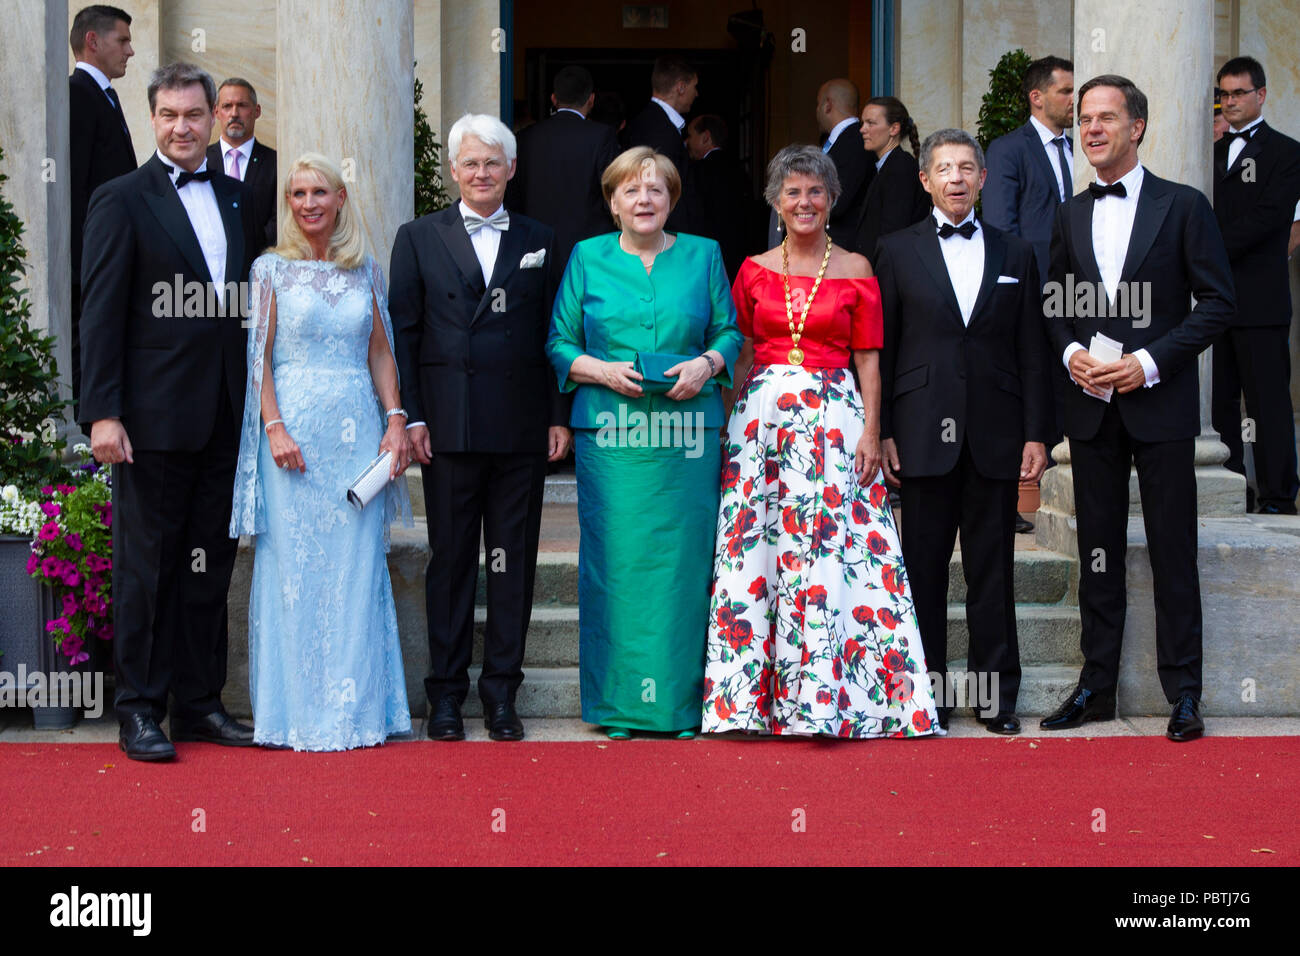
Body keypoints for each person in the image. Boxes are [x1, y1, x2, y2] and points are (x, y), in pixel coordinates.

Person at [700, 144, 939, 739]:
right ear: (775, 202)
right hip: (761, 428)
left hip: (836, 421)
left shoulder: (857, 267)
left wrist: (873, 433)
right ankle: (748, 704)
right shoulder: (753, 268)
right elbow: (745, 352)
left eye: (815, 192)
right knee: (760, 556)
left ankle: (834, 702)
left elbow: (869, 360)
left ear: (832, 199)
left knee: (836, 551)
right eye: (792, 192)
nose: (804, 202)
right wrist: (729, 434)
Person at [1038, 75, 1235, 742]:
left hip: (1162, 405)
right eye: (1083, 119)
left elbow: (1218, 304)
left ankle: (1184, 692)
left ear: (1137, 126)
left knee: (1173, 549)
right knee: (1097, 551)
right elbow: (1054, 306)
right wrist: (1073, 359)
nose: (1091, 129)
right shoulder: (1068, 214)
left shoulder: (1184, 206)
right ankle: (1095, 686)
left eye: (1105, 118)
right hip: (1090, 407)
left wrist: (1149, 363)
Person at [80, 62, 260, 761]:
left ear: (216, 116)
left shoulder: (240, 198)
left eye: (193, 115)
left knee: (206, 566)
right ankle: (139, 708)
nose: (182, 128)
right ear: (152, 119)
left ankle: (200, 703)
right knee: (147, 569)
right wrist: (102, 411)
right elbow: (99, 314)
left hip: (223, 416)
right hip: (149, 422)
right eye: (168, 116)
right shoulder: (120, 198)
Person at [547, 146, 742, 739]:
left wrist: (706, 365)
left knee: (683, 568)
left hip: (687, 440)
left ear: (671, 200)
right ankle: (620, 708)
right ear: (613, 203)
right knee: (618, 566)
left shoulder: (705, 254)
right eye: (631, 191)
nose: (644, 200)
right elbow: (558, 341)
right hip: (614, 440)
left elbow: (729, 331)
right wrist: (601, 371)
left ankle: (680, 709)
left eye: (656, 190)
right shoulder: (586, 257)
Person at [390, 113, 572, 743]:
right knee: (451, 563)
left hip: (520, 426)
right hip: (447, 426)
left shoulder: (541, 237)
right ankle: (445, 696)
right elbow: (403, 336)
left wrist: (557, 415)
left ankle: (502, 695)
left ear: (511, 169)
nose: (481, 173)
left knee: (512, 562)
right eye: (470, 162)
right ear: (452, 169)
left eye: (492, 163)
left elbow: (556, 336)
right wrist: (410, 416)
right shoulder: (417, 238)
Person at [228, 153, 413, 750]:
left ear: (340, 200)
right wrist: (274, 427)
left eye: (319, 192)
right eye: (298, 193)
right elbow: (259, 358)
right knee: (294, 570)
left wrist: (395, 419)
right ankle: (294, 714)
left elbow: (381, 353)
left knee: (357, 570)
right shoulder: (269, 271)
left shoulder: (366, 272)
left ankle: (357, 712)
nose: (308, 203)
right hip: (293, 441)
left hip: (359, 434)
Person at [875, 130, 1053, 735]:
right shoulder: (894, 251)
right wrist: (885, 432)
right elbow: (885, 348)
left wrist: (1037, 434)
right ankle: (923, 698)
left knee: (992, 571)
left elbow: (1034, 350)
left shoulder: (1018, 253)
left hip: (997, 435)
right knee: (921, 572)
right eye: (943, 168)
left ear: (981, 179)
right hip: (921, 434)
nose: (955, 177)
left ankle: (996, 698)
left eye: (966, 168)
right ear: (924, 180)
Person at [982, 55, 1076, 534]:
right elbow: (1001, 226)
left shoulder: (1085, 146)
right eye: (1065, 91)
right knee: (1029, 383)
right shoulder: (1007, 149)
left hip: (1080, 292)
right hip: (1032, 290)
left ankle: (1063, 487)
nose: (1074, 100)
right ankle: (1019, 498)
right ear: (1037, 97)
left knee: (1069, 383)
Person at [1210, 56, 1300, 515]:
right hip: (1209, 300)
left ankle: (1279, 495)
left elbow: (1269, 220)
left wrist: (1204, 248)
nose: (1229, 102)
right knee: (1219, 401)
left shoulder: (1287, 153)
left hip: (1260, 300)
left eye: (1238, 93)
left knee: (1266, 404)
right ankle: (1233, 491)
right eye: (1223, 94)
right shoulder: (1206, 149)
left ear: (1261, 95)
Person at [69, 4, 136, 418]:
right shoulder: (77, 94)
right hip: (93, 259)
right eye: (123, 40)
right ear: (93, 42)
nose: (130, 51)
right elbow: (76, 187)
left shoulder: (104, 95)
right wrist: (86, 263)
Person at [623, 55, 699, 232]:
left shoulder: (649, 121)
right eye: (694, 86)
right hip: (665, 239)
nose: (696, 93)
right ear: (681, 87)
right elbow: (661, 191)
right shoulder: (658, 129)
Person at [852, 95, 931, 263]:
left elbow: (893, 233)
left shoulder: (900, 168)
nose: (862, 129)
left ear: (894, 128)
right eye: (863, 123)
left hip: (888, 275)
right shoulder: (887, 165)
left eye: (871, 123)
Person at [207, 77, 278, 252]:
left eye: (242, 105)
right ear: (216, 112)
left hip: (258, 264)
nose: (234, 113)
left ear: (257, 111)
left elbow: (279, 219)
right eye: (227, 106)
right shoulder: (200, 160)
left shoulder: (275, 162)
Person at [685, 113, 749, 280]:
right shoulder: (740, 169)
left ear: (706, 137)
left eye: (690, 136)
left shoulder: (698, 171)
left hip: (707, 257)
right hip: (738, 256)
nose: (686, 142)